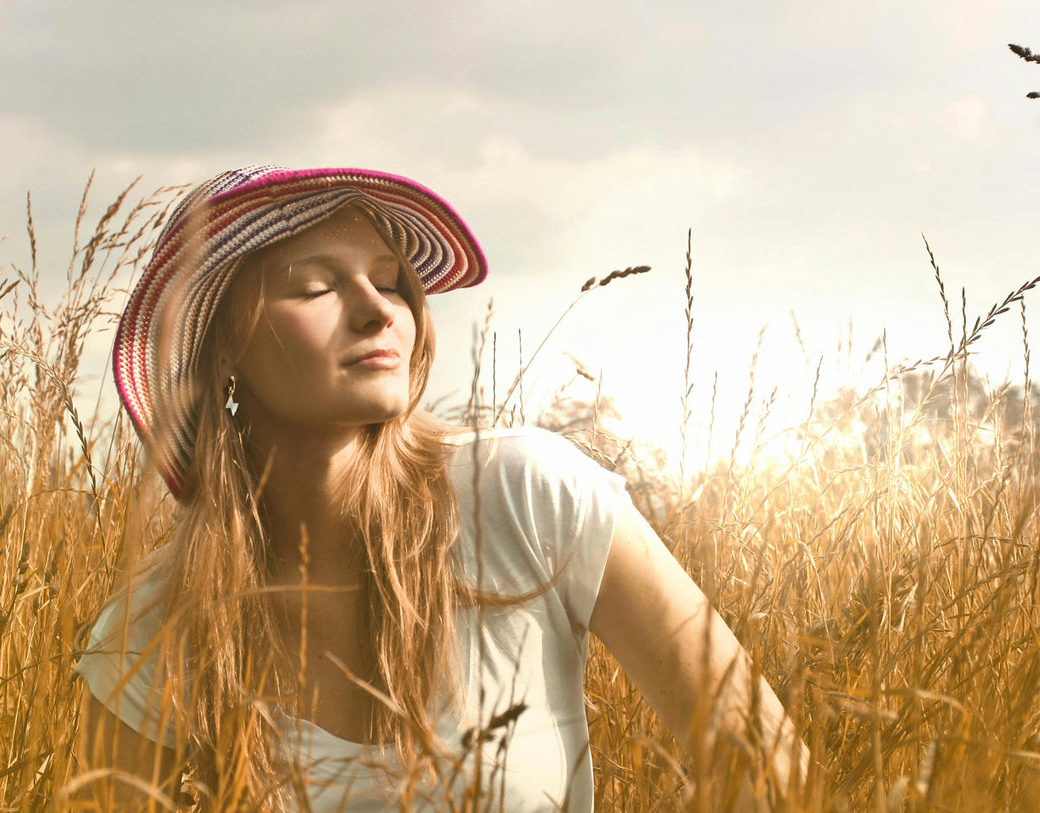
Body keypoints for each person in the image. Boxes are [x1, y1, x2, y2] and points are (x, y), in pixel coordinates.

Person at [73, 166, 807, 811]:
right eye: (316, 284)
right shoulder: (157, 627)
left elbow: (769, 769)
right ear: (223, 345)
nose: (377, 308)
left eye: (391, 280)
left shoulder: (524, 494)